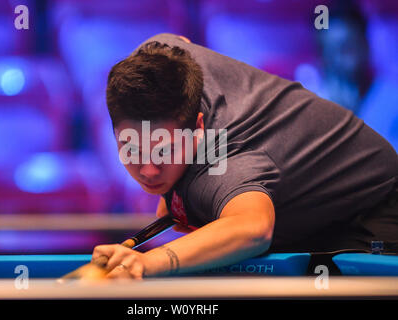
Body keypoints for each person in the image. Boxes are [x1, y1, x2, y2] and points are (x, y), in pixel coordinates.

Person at [91, 33, 398, 280]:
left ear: (198, 127)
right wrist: (175, 187)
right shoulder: (161, 63)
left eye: (164, 151)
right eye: (132, 149)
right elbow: (175, 39)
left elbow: (253, 229)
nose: (149, 170)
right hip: (304, 195)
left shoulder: (224, 164)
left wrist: (150, 262)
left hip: (373, 208)